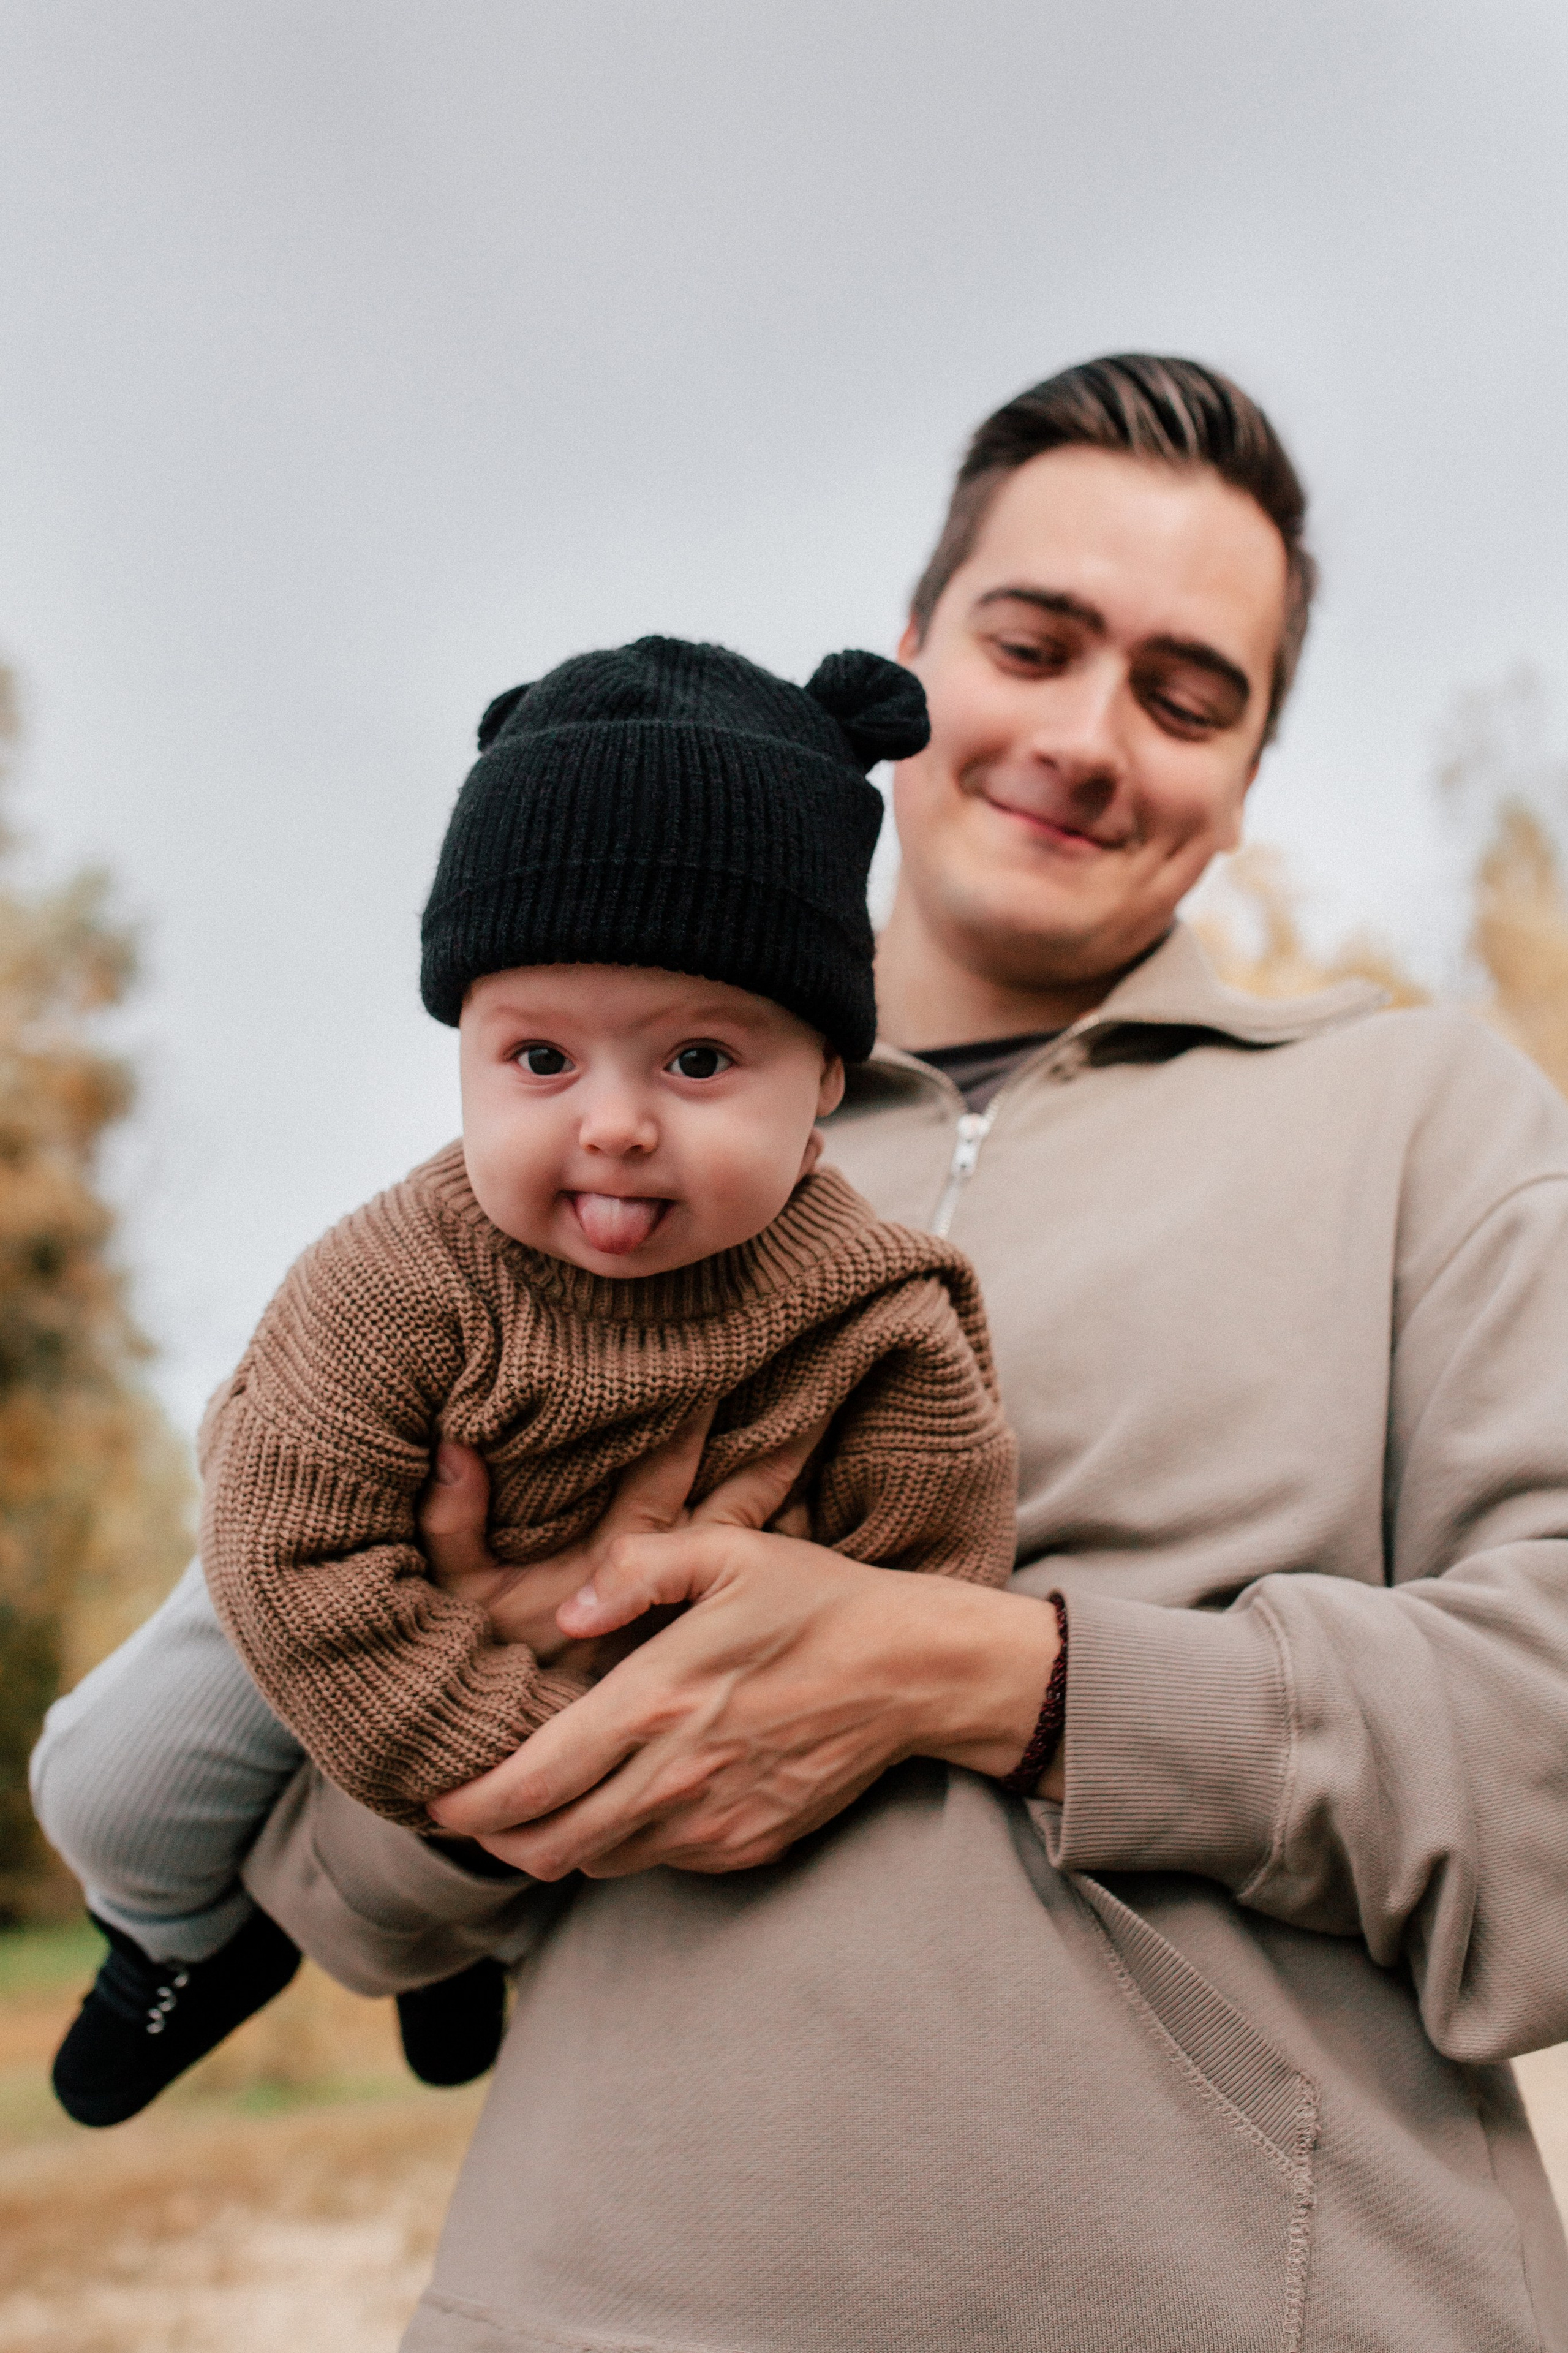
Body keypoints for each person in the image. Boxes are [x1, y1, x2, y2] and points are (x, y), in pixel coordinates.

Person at [50, 352, 1568, 2351]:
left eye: (1190, 693)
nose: (1090, 736)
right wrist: (504, 1680)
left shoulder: (1423, 1114)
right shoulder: (591, 1178)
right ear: (912, 656)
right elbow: (336, 1889)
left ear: (1253, 773)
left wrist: (988, 1672)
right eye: (1035, 643)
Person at [32, 636, 1021, 2128]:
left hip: (634, 1645)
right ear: (465, 1054)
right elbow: (290, 1558)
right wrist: (510, 1762)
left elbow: (932, 1562)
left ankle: (448, 1950)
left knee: (488, 1841)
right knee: (104, 1784)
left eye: (697, 1059)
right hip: (333, 1547)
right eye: (541, 1057)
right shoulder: (397, 1278)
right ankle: (181, 1949)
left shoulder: (872, 1306)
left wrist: (800, 1644)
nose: (613, 1125)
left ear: (824, 1073)